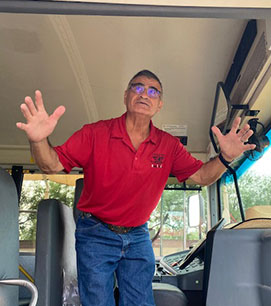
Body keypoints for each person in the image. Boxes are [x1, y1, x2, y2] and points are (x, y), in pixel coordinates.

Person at [16, 70, 256, 306]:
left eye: (153, 91)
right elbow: (51, 165)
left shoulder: (168, 145)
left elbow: (203, 176)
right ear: (125, 96)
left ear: (159, 104)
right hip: (96, 232)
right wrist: (38, 140)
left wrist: (225, 158)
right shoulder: (95, 133)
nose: (145, 94)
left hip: (138, 235)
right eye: (138, 87)